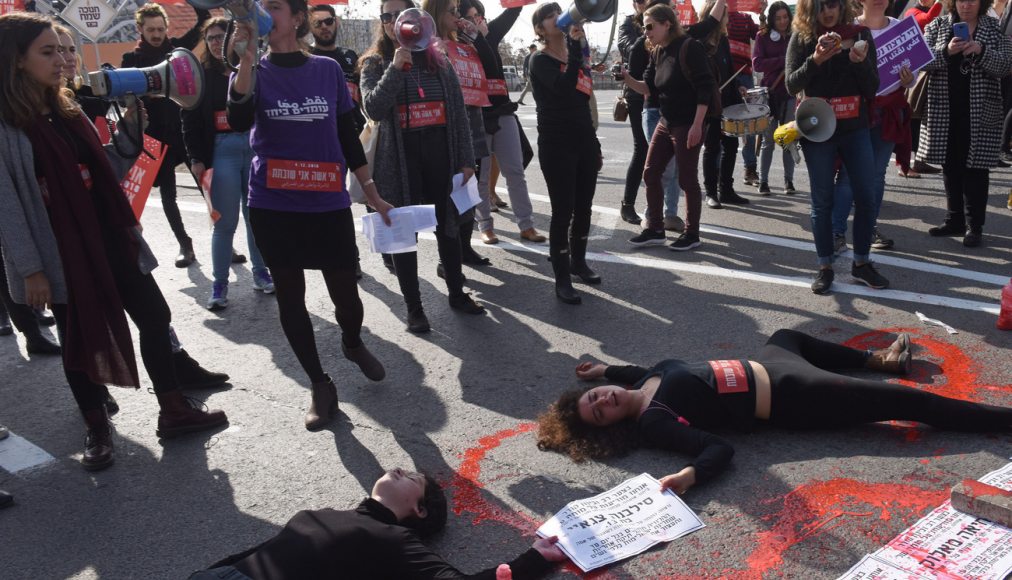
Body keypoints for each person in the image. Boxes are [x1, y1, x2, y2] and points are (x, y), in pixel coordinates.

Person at [0, 12, 230, 471]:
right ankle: (97, 429)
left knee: (154, 314)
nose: (61, 61)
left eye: (61, 50)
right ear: (17, 61)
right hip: (59, 250)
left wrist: (130, 133)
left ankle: (173, 409)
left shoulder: (67, 107)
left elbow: (106, 169)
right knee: (78, 339)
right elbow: (7, 206)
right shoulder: (7, 126)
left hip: (110, 235)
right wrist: (30, 270)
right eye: (47, 52)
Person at [537, 329, 1012, 494]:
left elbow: (643, 369)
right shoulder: (655, 421)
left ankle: (879, 360)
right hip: (795, 398)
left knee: (790, 335)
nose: (603, 401)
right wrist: (688, 476)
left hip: (772, 364)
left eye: (597, 397)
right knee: (914, 406)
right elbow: (717, 448)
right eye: (599, 412)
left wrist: (603, 369)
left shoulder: (641, 382)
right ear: (612, 427)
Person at [228, 0, 392, 430]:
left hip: (325, 201)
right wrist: (245, 62)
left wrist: (370, 191)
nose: (265, 12)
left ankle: (353, 343)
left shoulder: (327, 69)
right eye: (259, 7)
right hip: (273, 204)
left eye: (274, 6)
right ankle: (319, 384)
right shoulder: (254, 71)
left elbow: (346, 131)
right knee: (290, 297)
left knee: (346, 295)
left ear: (297, 17)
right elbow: (238, 117)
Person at [360, 0, 486, 334]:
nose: (393, 22)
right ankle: (415, 309)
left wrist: (465, 159)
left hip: (439, 153)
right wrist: (394, 70)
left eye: (399, 15)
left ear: (417, 19)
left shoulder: (438, 60)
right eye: (385, 17)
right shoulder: (376, 63)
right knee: (405, 233)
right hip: (401, 160)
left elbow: (458, 113)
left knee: (448, 226)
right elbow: (373, 108)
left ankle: (457, 293)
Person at [188, 468, 566, 579]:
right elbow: (264, 549)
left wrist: (533, 558)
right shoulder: (334, 514)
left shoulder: (394, 538)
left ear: (419, 510)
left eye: (413, 479)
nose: (402, 468)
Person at [785, 0, 888, 295]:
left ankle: (862, 262)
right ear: (809, 10)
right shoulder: (803, 37)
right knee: (822, 199)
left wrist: (859, 64)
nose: (828, 13)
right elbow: (792, 85)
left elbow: (872, 87)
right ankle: (824, 266)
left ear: (841, 6)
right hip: (818, 129)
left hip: (855, 128)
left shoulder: (859, 34)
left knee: (866, 196)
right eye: (820, 7)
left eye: (832, 5)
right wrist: (815, 61)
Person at [181, 18, 274, 311]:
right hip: (222, 150)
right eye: (209, 37)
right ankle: (219, 284)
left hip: (254, 147)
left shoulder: (253, 67)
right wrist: (196, 158)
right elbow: (189, 119)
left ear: (234, 38)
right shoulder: (201, 75)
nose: (215, 42)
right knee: (224, 223)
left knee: (256, 216)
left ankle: (261, 273)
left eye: (221, 36)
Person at [122, 3, 211, 268]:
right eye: (151, 29)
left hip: (184, 130)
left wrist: (197, 4)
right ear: (140, 29)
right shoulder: (130, 60)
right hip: (154, 136)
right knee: (169, 196)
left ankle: (224, 242)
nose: (157, 34)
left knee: (206, 187)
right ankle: (185, 244)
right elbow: (123, 95)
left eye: (161, 28)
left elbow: (203, 23)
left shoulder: (176, 52)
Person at [623, 4, 718, 251]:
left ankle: (692, 233)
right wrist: (626, 78)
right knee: (651, 173)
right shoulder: (657, 52)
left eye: (650, 26)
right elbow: (648, 88)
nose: (646, 32)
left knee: (687, 179)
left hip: (688, 122)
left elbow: (705, 87)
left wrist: (698, 125)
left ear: (667, 24)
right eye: (644, 27)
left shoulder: (689, 47)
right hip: (666, 121)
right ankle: (655, 228)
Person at [920, 0, 1012, 247]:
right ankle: (954, 220)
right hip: (945, 107)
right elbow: (922, 61)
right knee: (950, 164)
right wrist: (947, 52)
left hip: (981, 109)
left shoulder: (994, 28)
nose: (966, 5)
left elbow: (1006, 66)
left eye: (972, 0)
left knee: (976, 168)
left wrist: (980, 51)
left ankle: (975, 226)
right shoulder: (938, 26)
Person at [529, 3, 604, 305]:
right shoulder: (538, 60)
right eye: (550, 15)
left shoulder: (577, 56)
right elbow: (563, 88)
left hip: (582, 139)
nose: (557, 17)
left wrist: (594, 144)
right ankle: (561, 277)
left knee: (584, 207)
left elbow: (583, 100)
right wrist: (575, 49)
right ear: (540, 29)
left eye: (558, 11)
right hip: (557, 144)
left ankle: (579, 262)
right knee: (563, 212)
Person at [831, 0, 917, 255]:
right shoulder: (848, 29)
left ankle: (868, 228)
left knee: (877, 176)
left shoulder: (902, 29)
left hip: (889, 111)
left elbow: (912, 75)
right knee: (848, 175)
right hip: (857, 112)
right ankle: (837, 231)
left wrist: (909, 79)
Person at [459, 0, 547, 247]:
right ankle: (485, 226)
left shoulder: (492, 35)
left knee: (515, 171)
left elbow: (514, 9)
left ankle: (526, 225)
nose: (476, 21)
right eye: (470, 17)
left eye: (479, 16)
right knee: (481, 177)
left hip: (503, 112)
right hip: (477, 117)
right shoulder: (455, 46)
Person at [422, 0, 495, 272]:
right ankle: (448, 259)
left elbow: (491, 66)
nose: (457, 16)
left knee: (470, 190)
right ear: (437, 13)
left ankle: (464, 248)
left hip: (472, 123)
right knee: (449, 195)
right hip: (446, 129)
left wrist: (474, 37)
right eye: (451, 11)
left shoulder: (463, 43)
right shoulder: (426, 44)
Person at [699, 0, 751, 209]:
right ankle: (710, 192)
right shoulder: (701, 42)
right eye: (726, 16)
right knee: (712, 147)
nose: (728, 20)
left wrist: (737, 85)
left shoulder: (723, 40)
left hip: (728, 100)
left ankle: (726, 190)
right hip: (711, 102)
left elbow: (729, 69)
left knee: (730, 145)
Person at [752, 1, 796, 195]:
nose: (782, 21)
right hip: (770, 94)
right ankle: (763, 181)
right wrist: (783, 61)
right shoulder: (762, 36)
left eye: (785, 17)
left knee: (789, 139)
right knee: (768, 141)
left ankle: (789, 181)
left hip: (789, 94)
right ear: (772, 19)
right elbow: (757, 64)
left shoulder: (795, 36)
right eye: (778, 18)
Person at [896, 0, 944, 177]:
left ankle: (919, 161)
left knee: (922, 119)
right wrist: (939, 3)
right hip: (916, 73)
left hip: (925, 73)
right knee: (913, 119)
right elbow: (928, 19)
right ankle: (906, 166)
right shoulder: (912, 12)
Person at [309, 5, 367, 134]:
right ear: (309, 27)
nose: (324, 26)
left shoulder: (351, 56)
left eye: (328, 21)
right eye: (317, 23)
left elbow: (363, 96)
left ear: (336, 22)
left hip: (355, 132)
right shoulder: (305, 58)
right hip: (322, 134)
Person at [618, 0, 651, 226]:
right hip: (638, 92)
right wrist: (648, 29)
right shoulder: (628, 24)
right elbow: (629, 50)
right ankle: (627, 204)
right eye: (641, 0)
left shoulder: (664, 18)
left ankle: (661, 207)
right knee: (643, 148)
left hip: (663, 91)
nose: (645, 3)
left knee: (666, 152)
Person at [727, 3, 764, 187]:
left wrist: (763, 13)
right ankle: (719, 173)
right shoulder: (717, 16)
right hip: (724, 77)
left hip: (745, 74)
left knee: (748, 125)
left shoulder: (746, 18)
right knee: (722, 124)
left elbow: (761, 35)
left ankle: (750, 169)